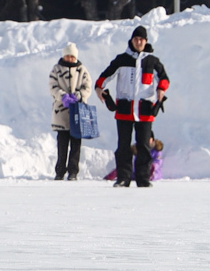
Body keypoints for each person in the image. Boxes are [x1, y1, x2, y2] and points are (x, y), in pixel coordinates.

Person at [97, 25, 169, 189]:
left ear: (145, 41)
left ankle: (143, 179)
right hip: (124, 110)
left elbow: (164, 78)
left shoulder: (152, 61)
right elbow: (104, 77)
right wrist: (99, 89)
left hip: (144, 111)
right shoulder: (122, 60)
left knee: (143, 146)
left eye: (141, 39)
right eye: (136, 39)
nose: (139, 42)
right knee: (123, 146)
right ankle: (123, 178)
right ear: (131, 41)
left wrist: (161, 89)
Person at [48, 42, 92, 181]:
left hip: (77, 113)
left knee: (76, 144)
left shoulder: (82, 70)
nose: (70, 59)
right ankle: (60, 171)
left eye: (72, 56)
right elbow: (52, 86)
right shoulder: (56, 69)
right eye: (67, 56)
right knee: (62, 143)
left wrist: (79, 95)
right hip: (61, 113)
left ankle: (73, 171)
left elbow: (88, 86)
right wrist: (62, 96)